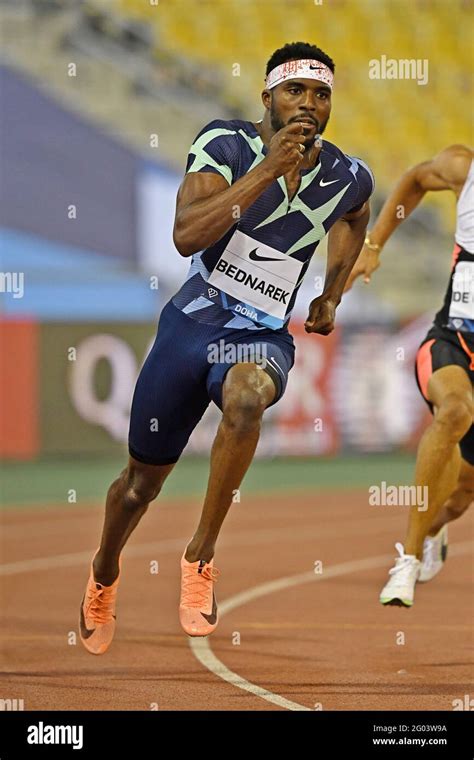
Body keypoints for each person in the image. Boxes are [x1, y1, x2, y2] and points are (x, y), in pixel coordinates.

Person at [79, 41, 374, 654]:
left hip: (261, 335)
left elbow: (357, 214)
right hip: (193, 327)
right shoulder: (227, 145)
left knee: (246, 399)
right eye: (296, 91)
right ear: (267, 97)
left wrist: (332, 294)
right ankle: (105, 570)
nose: (310, 105)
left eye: (322, 95)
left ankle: (200, 557)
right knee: (139, 485)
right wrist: (268, 169)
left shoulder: (345, 174)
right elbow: (187, 235)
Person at [346, 144, 473, 606]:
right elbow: (417, 179)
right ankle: (410, 558)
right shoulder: (463, 167)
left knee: (460, 497)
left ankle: (435, 530)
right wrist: (374, 245)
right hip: (452, 343)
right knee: (455, 411)